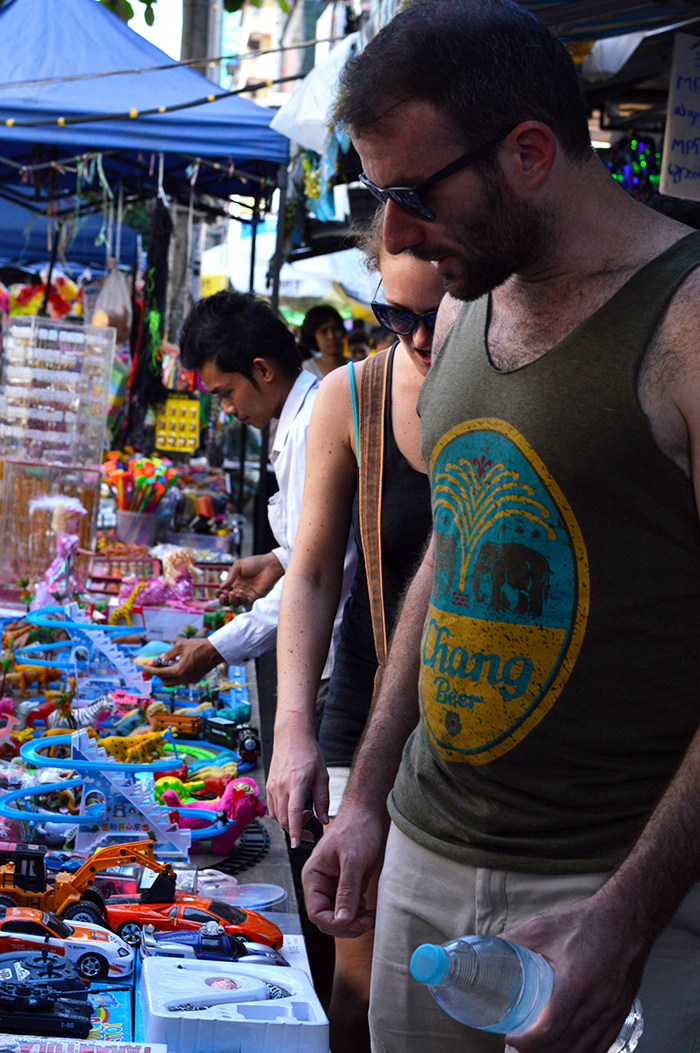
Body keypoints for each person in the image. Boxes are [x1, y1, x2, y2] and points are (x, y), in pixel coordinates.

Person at [300, 3, 700, 1053]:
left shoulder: (686, 322)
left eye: (411, 196)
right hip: (426, 859)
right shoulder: (470, 303)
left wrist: (626, 918)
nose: (393, 239)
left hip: (609, 888)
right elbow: (451, 552)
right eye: (375, 196)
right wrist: (367, 798)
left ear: (526, 152)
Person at [268, 240, 443, 1052]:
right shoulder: (354, 398)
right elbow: (310, 574)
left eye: (437, 314)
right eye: (394, 315)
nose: (416, 336)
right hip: (366, 722)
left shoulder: (521, 391)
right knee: (357, 991)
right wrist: (293, 728)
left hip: (482, 738)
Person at [145, 290, 356, 689]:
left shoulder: (308, 431)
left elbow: (315, 577)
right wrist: (278, 561)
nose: (226, 408)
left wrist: (214, 648)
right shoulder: (305, 421)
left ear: (262, 370)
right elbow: (324, 543)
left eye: (225, 392)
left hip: (333, 658)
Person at [299, 305, 347, 378]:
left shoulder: (357, 367)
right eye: (323, 331)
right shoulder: (307, 370)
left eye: (335, 329)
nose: (331, 336)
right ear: (313, 336)